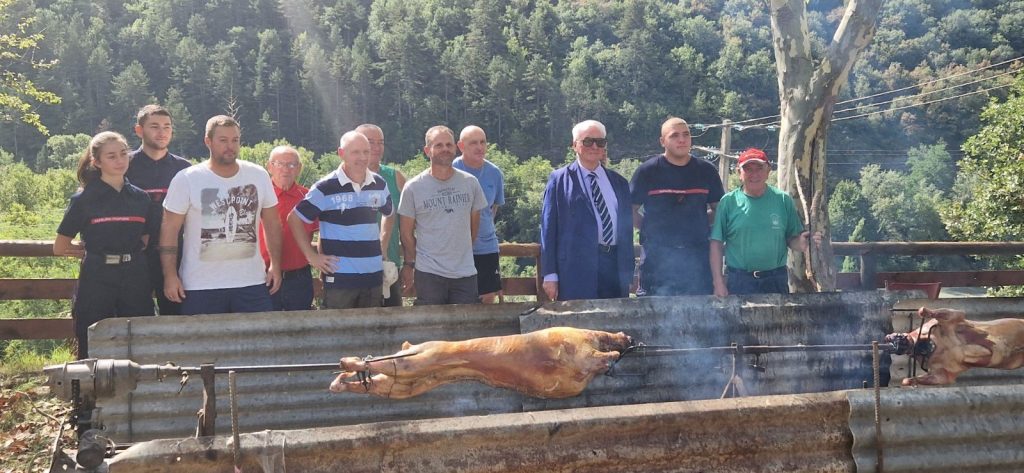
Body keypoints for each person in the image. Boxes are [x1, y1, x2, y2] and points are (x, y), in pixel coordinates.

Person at [159, 115, 283, 315]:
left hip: (251, 281)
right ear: (208, 141)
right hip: (201, 285)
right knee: (204, 345)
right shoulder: (187, 179)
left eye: (235, 140)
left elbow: (272, 223)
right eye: (223, 140)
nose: (230, 146)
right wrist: (170, 275)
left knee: (257, 342)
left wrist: (276, 266)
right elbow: (169, 229)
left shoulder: (258, 175)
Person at [54, 132, 158, 358]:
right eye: (111, 156)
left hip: (135, 276)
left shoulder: (141, 198)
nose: (120, 160)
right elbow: (60, 247)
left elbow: (146, 238)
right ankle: (88, 392)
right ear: (96, 162)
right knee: (91, 335)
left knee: (140, 334)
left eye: (123, 154)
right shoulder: (84, 199)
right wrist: (90, 252)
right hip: (97, 276)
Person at [289, 131, 394, 309]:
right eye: (355, 152)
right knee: (338, 334)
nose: (362, 157)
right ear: (341, 153)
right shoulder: (325, 187)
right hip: (340, 280)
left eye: (366, 152)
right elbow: (294, 219)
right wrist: (311, 257)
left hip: (373, 277)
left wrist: (382, 247)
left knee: (371, 332)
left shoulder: (379, 183)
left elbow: (389, 214)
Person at [540, 120, 634, 301]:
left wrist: (628, 271)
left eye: (600, 142)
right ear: (575, 145)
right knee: (579, 327)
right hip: (575, 270)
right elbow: (548, 229)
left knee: (614, 323)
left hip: (614, 266)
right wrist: (550, 274)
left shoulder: (619, 182)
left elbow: (626, 229)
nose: (594, 146)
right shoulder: (559, 180)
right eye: (588, 141)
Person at [630, 117, 724, 296]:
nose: (682, 140)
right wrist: (652, 226)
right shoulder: (647, 172)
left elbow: (719, 209)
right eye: (674, 136)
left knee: (699, 316)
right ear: (662, 141)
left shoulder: (706, 171)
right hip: (657, 261)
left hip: (697, 260)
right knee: (654, 315)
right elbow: (629, 210)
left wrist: (699, 222)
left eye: (686, 135)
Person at [709, 148, 819, 296]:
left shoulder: (783, 200)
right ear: (739, 173)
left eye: (759, 168)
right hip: (739, 280)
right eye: (748, 169)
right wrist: (718, 282)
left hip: (775, 279)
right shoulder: (728, 202)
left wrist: (803, 243)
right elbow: (716, 244)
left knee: (779, 320)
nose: (754, 174)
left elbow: (792, 239)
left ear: (768, 171)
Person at [398, 125, 488, 305]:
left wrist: (458, 254)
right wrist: (417, 261)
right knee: (431, 328)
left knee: (466, 328)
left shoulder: (470, 183)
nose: (445, 149)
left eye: (449, 145)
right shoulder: (413, 188)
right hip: (429, 273)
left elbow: (474, 227)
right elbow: (406, 234)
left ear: (455, 148)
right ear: (427, 150)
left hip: (465, 272)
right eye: (438, 145)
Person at [126, 104, 192, 315]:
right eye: (154, 126)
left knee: (177, 317)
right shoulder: (125, 165)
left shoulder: (184, 169)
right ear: (139, 130)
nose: (161, 132)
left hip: (176, 255)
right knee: (136, 319)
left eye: (167, 126)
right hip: (136, 257)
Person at [259, 146, 317, 311]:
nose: (285, 169)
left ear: (299, 169)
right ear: (269, 167)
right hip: (263, 276)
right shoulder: (257, 196)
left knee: (299, 330)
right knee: (266, 329)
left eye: (291, 165)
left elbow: (322, 234)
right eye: (279, 164)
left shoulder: (309, 198)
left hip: (299, 278)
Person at [453, 125, 505, 303]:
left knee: (486, 300)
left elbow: (493, 209)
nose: (479, 147)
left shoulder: (495, 173)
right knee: (458, 300)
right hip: (456, 249)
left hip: (486, 248)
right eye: (473, 142)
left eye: (482, 142)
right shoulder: (451, 170)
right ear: (461, 146)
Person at [356, 123, 406, 307]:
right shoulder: (339, 180)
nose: (376, 148)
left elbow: (410, 225)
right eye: (370, 142)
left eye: (381, 142)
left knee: (393, 329)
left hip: (388, 268)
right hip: (351, 270)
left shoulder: (395, 177)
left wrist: (410, 263)